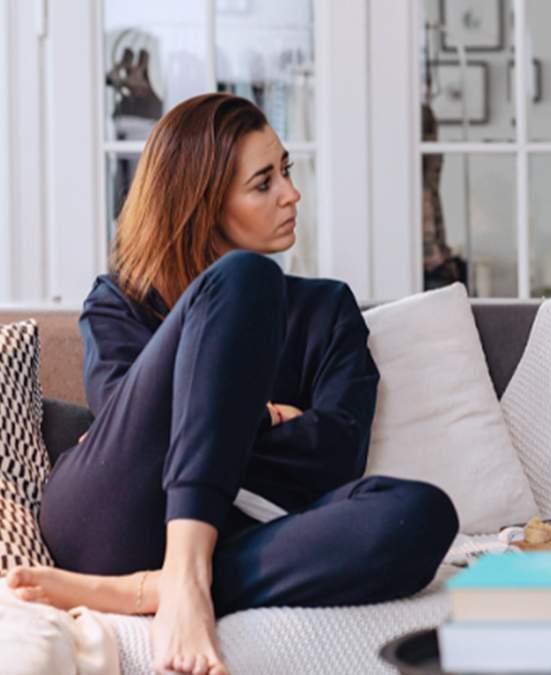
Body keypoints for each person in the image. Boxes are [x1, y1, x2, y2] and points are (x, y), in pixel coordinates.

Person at [6, 93, 459, 675]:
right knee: (246, 278)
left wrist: (211, 420)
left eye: (287, 172)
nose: (291, 194)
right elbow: (134, 431)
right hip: (112, 514)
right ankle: (186, 576)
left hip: (243, 532)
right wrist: (267, 416)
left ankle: (152, 588)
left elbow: (336, 458)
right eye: (263, 182)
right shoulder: (119, 301)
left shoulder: (327, 309)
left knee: (421, 513)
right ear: (201, 202)